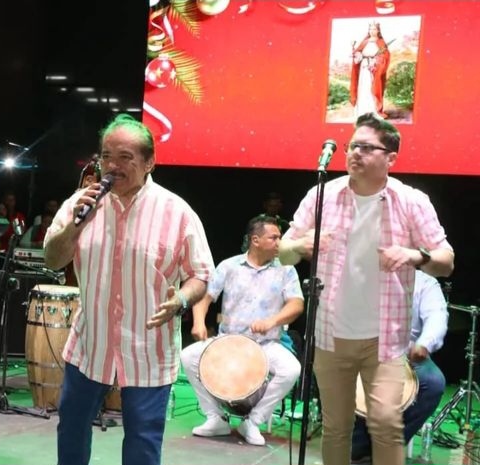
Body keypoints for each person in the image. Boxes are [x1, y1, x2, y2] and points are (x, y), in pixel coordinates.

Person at [279, 112, 454, 465]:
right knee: (336, 428)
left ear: (391, 158)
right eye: (352, 146)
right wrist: (298, 246)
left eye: (366, 147)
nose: (355, 153)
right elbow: (283, 252)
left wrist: (414, 255)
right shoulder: (323, 194)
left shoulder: (411, 200)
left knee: (386, 423)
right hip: (330, 335)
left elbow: (445, 260)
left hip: (384, 339)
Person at [44, 114, 214, 465]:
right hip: (91, 344)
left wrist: (181, 300)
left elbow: (201, 275)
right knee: (71, 431)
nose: (112, 166)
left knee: (142, 443)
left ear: (150, 162)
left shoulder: (177, 212)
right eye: (106, 156)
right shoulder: (81, 204)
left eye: (125, 157)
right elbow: (53, 259)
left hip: (148, 348)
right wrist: (75, 226)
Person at [181, 215, 304, 446]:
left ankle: (253, 422)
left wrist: (272, 321)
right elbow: (205, 297)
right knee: (188, 357)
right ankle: (215, 418)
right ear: (255, 240)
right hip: (228, 341)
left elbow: (297, 304)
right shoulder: (229, 266)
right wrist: (198, 322)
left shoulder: (286, 270)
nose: (280, 243)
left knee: (291, 369)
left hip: (266, 344)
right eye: (274, 237)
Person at [351, 270, 448, 462]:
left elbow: (437, 316)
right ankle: (359, 448)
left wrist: (424, 344)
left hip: (406, 352)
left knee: (433, 382)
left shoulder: (425, 283)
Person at [350, 22, 391, 119]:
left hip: (374, 69)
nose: (372, 31)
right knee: (363, 87)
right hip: (364, 68)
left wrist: (376, 61)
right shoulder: (365, 41)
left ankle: (373, 111)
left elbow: (385, 56)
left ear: (378, 31)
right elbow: (358, 53)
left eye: (374, 29)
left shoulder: (381, 42)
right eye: (370, 29)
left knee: (372, 87)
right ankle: (362, 111)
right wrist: (356, 54)